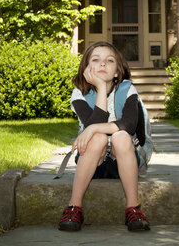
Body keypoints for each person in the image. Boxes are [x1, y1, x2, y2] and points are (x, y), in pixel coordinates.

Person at [58, 41, 150, 232]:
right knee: (98, 138)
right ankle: (74, 207)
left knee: (121, 136)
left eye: (109, 61)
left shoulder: (127, 90)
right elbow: (93, 124)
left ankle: (133, 208)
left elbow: (129, 125)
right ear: (86, 68)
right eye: (96, 60)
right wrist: (100, 88)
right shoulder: (79, 94)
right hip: (93, 163)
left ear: (117, 71)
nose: (102, 64)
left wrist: (91, 129)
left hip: (125, 160)